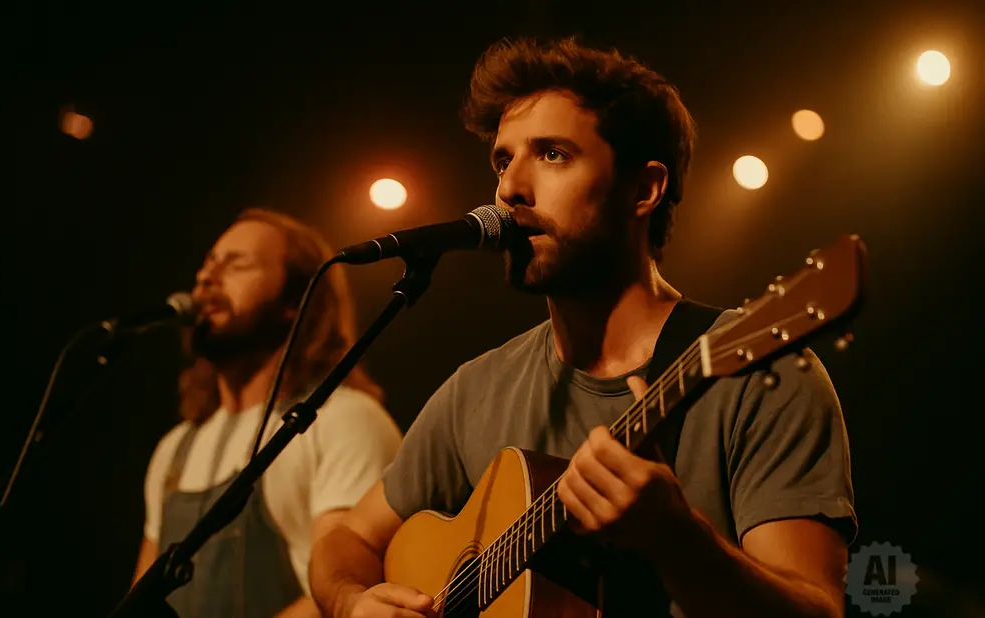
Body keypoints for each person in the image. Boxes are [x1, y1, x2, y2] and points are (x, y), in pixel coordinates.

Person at [308, 37, 856, 618]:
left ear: (644, 190)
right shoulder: (476, 390)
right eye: (503, 159)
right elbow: (346, 540)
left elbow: (817, 610)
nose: (509, 189)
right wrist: (350, 603)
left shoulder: (759, 370)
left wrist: (679, 540)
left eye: (552, 155)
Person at [133, 208, 403, 618]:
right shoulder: (174, 449)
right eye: (207, 264)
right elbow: (143, 596)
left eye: (235, 264)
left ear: (295, 302)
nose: (207, 278)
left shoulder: (343, 421)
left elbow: (345, 588)